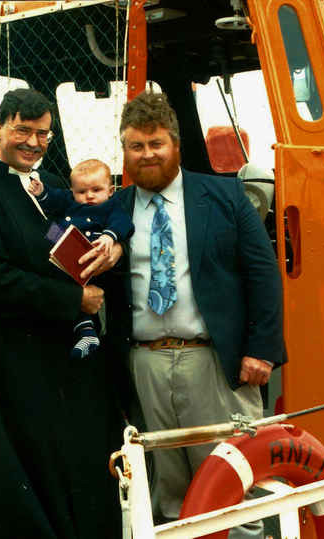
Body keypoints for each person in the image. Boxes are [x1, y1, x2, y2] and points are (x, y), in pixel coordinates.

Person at [106, 91, 285, 537]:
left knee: (232, 489)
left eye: (156, 144)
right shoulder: (116, 208)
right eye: (136, 146)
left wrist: (260, 349)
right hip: (145, 365)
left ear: (176, 144)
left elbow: (263, 274)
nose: (147, 155)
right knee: (170, 494)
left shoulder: (224, 196)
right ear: (124, 150)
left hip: (214, 364)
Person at [0, 88, 123, 538]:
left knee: (78, 472)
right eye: (22, 130)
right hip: (16, 359)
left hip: (66, 358)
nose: (32, 141)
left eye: (42, 133)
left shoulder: (49, 197)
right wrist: (74, 301)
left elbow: (61, 248)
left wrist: (107, 250)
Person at [28, 158, 134, 359]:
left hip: (92, 250)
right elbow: (56, 198)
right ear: (73, 191)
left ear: (110, 190)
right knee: (50, 233)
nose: (89, 196)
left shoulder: (111, 207)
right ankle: (86, 332)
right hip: (67, 246)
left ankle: (87, 331)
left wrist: (109, 236)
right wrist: (42, 192)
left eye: (96, 190)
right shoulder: (69, 200)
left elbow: (123, 222)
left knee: (81, 287)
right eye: (82, 192)